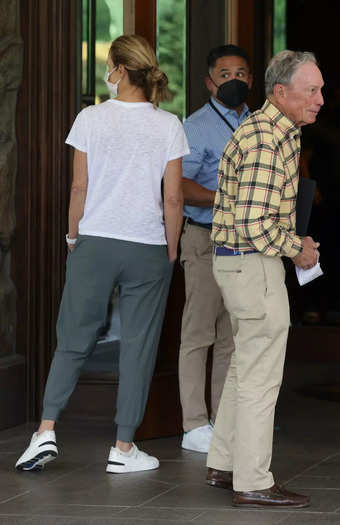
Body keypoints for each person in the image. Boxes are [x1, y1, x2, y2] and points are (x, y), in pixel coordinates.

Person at [15, 35, 188, 473]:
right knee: (138, 347)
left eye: (109, 66)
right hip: (148, 246)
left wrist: (74, 238)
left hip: (95, 242)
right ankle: (123, 448)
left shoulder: (90, 118)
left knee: (72, 339)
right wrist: (170, 251)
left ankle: (45, 431)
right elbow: (173, 200)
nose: (106, 74)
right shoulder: (168, 125)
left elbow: (79, 187)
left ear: (119, 70)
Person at [206, 50, 322, 508]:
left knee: (243, 365)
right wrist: (299, 247)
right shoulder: (265, 138)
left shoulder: (277, 131)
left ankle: (223, 463)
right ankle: (252, 480)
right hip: (252, 262)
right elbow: (255, 223)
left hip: (241, 261)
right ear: (280, 92)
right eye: (311, 90)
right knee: (260, 374)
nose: (320, 99)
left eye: (319, 89)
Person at [178, 44, 252, 455]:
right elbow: (180, 186)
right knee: (198, 332)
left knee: (231, 336)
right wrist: (226, 196)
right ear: (210, 82)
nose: (234, 81)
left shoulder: (258, 123)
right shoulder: (196, 126)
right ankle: (193, 424)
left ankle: (223, 421)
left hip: (245, 242)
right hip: (206, 237)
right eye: (225, 75)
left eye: (241, 73)